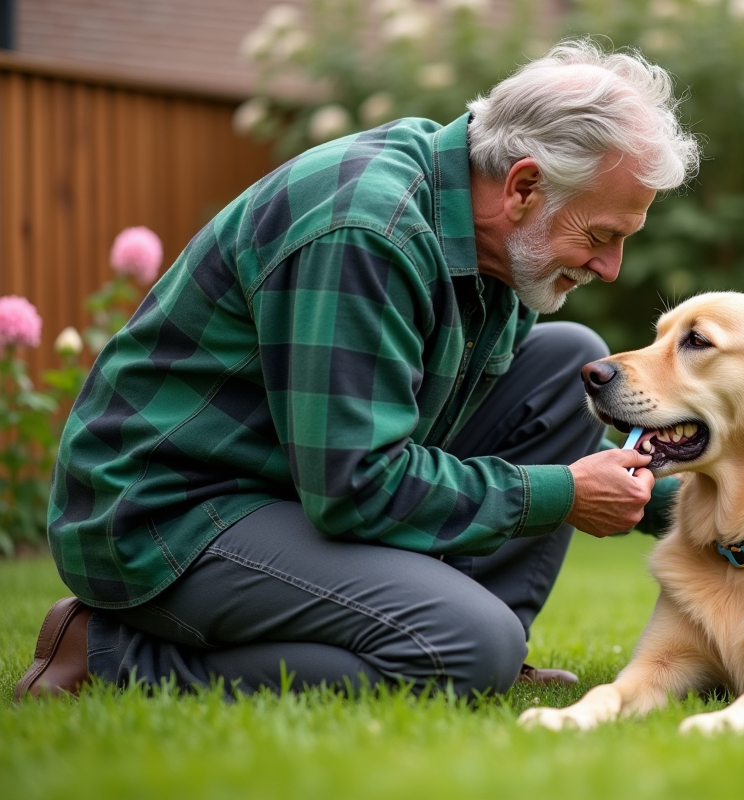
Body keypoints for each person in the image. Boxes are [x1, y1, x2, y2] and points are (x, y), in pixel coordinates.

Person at [15, 40, 700, 701]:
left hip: (292, 485)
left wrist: (720, 504)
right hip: (172, 514)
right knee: (468, 646)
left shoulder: (492, 233)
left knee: (565, 359)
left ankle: (459, 632)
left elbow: (480, 443)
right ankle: (104, 652)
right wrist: (562, 493)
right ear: (524, 186)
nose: (610, 267)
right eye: (601, 235)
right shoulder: (367, 232)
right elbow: (357, 486)